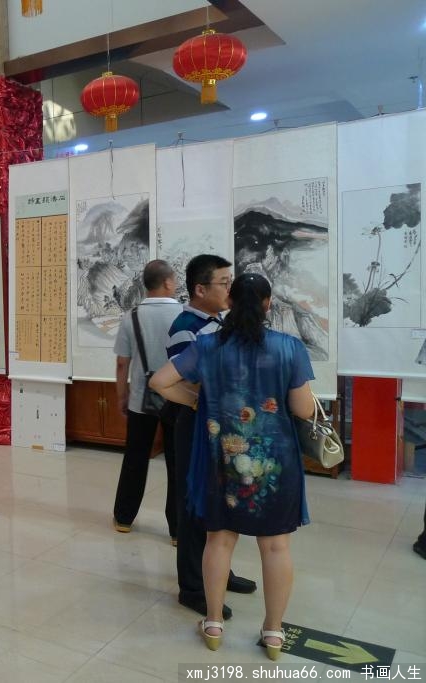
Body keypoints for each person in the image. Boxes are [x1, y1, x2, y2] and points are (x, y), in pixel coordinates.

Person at [151, 272, 316, 660]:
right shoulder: (289, 348)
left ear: (230, 302)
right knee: (275, 546)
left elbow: (160, 381)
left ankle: (212, 624)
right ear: (268, 304)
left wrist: (195, 400)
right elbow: (304, 409)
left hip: (221, 458)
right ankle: (273, 633)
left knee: (219, 540)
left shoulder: (208, 346)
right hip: (275, 464)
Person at [164, 254, 257, 619]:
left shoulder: (220, 321)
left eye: (230, 281)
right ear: (200, 289)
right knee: (193, 504)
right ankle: (192, 587)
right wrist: (205, 400)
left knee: (221, 499)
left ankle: (219, 571)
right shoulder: (185, 327)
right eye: (224, 282)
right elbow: (183, 380)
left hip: (222, 424)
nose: (230, 288)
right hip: (195, 423)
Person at [112, 260, 181, 542]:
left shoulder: (131, 317)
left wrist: (122, 396)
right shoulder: (184, 314)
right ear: (167, 282)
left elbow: (122, 363)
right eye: (174, 279)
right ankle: (177, 530)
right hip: (178, 399)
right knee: (178, 464)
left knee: (135, 459)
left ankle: (124, 518)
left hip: (141, 400)